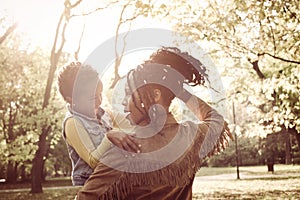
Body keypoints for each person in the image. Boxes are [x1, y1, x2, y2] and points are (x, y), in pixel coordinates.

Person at [76, 47, 233, 199]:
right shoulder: (191, 137)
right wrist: (179, 91)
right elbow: (216, 120)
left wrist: (108, 137)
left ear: (155, 95)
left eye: (130, 95)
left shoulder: (126, 150)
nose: (124, 103)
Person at [57, 62, 140, 186]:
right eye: (92, 98)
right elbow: (93, 162)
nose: (99, 101)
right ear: (71, 100)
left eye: (100, 94)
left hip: (112, 181)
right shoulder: (72, 123)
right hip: (90, 187)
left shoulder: (105, 114)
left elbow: (133, 129)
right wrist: (109, 137)